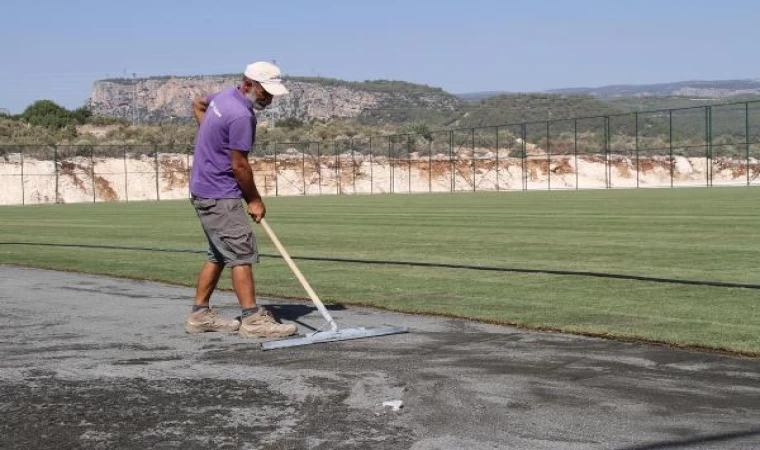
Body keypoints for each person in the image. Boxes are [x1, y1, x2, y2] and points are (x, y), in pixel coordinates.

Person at [184, 61, 298, 339]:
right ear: (248, 84)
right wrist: (255, 200)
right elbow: (240, 166)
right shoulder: (241, 115)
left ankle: (200, 315)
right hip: (220, 192)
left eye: (271, 93)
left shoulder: (224, 97)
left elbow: (198, 104)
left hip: (204, 188)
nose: (269, 99)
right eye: (265, 92)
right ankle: (252, 320)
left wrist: (210, 141)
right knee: (241, 255)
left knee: (219, 254)